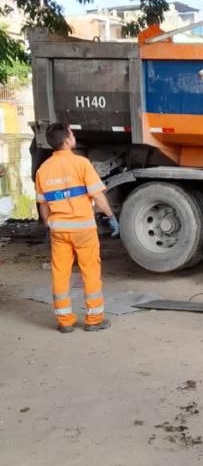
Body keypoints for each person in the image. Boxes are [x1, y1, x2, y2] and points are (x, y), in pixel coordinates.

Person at [34, 123, 120, 333]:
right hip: (83, 229)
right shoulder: (81, 164)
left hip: (59, 230)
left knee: (60, 273)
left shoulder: (43, 169)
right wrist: (111, 216)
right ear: (68, 140)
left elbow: (43, 204)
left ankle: (65, 321)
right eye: (72, 134)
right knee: (90, 271)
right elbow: (98, 196)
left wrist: (48, 224)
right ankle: (94, 319)